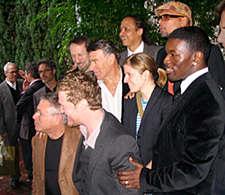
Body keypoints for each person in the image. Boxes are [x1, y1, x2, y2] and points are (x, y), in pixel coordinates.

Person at [117, 26, 225, 194]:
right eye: (166, 53)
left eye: (174, 55)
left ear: (196, 57)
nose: (166, 60)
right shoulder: (190, 90)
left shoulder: (206, 99)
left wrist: (145, 178)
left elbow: (193, 170)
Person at [57, 71, 141, 195]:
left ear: (82, 104)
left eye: (63, 106)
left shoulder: (120, 142)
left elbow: (132, 193)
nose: (61, 110)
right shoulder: (83, 130)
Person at [155, 1, 225, 95]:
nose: (160, 21)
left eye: (166, 17)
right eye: (159, 18)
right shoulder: (161, 53)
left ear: (184, 20)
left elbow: (218, 92)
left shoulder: (210, 51)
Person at [123, 53, 172, 166]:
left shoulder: (166, 102)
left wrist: (147, 170)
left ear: (145, 75)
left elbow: (167, 144)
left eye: (129, 74)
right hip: (132, 167)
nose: (125, 80)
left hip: (156, 170)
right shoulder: (130, 101)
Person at [32, 92, 80, 195]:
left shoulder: (79, 140)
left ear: (57, 118)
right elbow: (37, 178)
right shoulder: (37, 140)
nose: (34, 116)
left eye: (40, 113)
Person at [88, 39, 129, 122]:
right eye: (90, 62)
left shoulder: (133, 82)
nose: (91, 67)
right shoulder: (90, 87)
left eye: (95, 61)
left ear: (111, 59)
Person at [16, 62, 44, 182]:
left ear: (29, 74)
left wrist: (23, 92)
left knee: (29, 155)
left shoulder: (31, 89)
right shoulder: (43, 85)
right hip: (42, 126)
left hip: (28, 128)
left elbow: (18, 108)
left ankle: (33, 177)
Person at [0, 62, 23, 189]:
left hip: (24, 125)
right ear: (5, 74)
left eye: (16, 71)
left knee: (26, 150)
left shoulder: (21, 84)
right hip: (9, 126)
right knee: (11, 152)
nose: (14, 74)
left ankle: (31, 173)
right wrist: (2, 130)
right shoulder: (1, 89)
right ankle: (14, 177)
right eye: (11, 72)